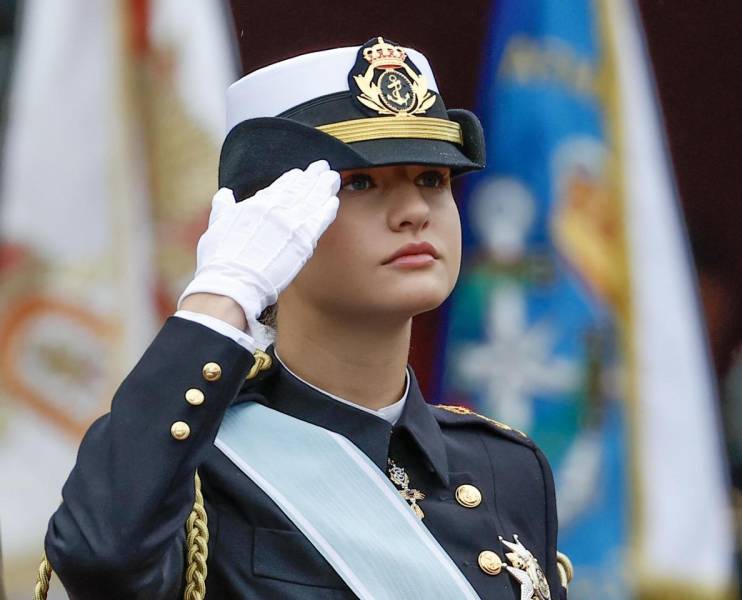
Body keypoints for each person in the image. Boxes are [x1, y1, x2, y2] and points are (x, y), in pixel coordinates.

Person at [42, 37, 568, 600]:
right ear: (270, 221)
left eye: (432, 179)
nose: (415, 211)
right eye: (359, 183)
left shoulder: (507, 466)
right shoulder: (195, 471)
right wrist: (225, 292)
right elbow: (100, 559)